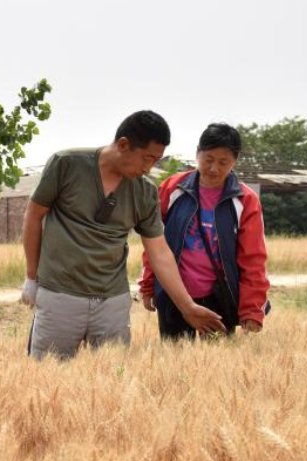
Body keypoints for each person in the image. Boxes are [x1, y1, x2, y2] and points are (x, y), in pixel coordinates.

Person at [21, 110, 224, 359]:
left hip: (112, 302)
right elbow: (34, 216)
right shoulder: (66, 164)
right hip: (60, 295)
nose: (149, 168)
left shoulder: (145, 192)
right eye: (146, 158)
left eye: (156, 161)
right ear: (124, 144)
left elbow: (159, 252)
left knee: (113, 381)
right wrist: (32, 277)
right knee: (48, 378)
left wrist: (187, 306)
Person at [138, 123, 269, 339]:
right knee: (173, 363)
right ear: (197, 153)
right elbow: (154, 243)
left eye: (223, 162)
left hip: (220, 298)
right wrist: (149, 284)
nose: (214, 168)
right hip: (175, 296)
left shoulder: (245, 201)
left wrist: (252, 308)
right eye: (208, 160)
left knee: (217, 367)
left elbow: (254, 258)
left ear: (235, 161)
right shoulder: (172, 188)